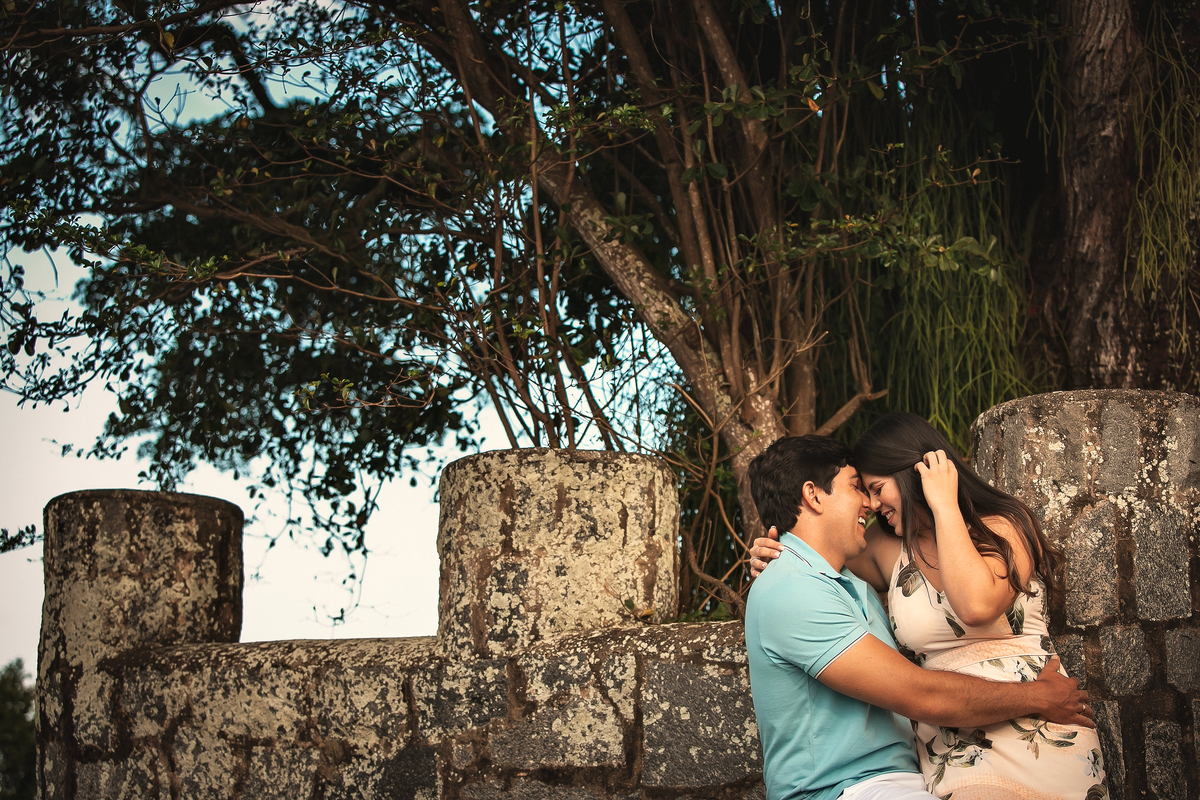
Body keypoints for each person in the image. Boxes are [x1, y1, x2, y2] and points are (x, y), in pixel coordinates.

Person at [748, 416, 1107, 799]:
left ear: (919, 474)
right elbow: (812, 559)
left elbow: (976, 605)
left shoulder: (1003, 527)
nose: (871, 503)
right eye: (860, 488)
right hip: (951, 745)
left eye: (876, 488)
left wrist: (944, 505)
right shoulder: (882, 551)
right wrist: (775, 554)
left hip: (1044, 719)